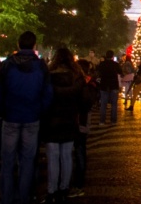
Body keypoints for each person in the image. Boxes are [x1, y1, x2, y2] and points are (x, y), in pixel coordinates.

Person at [0, 31, 53, 204]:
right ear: (34, 46)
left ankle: (7, 198)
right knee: (28, 161)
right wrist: (40, 110)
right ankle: (24, 197)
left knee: (8, 161)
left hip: (10, 117)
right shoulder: (40, 66)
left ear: (18, 45)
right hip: (32, 118)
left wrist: (1, 110)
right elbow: (47, 93)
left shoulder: (7, 65)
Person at [41, 48, 84, 203]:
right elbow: (82, 100)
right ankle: (64, 189)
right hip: (70, 119)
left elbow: (44, 99)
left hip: (52, 121)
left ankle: (52, 191)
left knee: (53, 157)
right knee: (66, 156)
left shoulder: (48, 77)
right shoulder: (77, 77)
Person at [69, 59, 97, 198]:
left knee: (77, 151)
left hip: (78, 121)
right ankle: (76, 182)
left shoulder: (82, 83)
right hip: (82, 121)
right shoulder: (89, 82)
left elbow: (86, 102)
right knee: (79, 150)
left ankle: (77, 183)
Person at [96, 50, 123, 124]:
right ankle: (113, 121)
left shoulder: (102, 64)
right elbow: (120, 72)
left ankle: (102, 121)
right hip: (114, 85)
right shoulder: (115, 64)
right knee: (114, 104)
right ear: (112, 56)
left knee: (103, 104)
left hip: (104, 85)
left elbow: (97, 73)